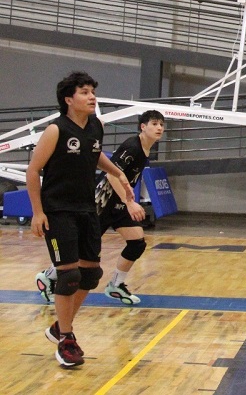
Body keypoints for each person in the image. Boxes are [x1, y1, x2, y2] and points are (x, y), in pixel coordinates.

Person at [26, 71, 132, 368]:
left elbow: (94, 154)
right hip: (58, 211)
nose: (92, 97)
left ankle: (60, 327)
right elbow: (33, 171)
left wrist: (117, 172)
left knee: (90, 274)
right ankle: (67, 339)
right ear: (69, 99)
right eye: (84, 92)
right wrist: (37, 212)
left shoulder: (96, 126)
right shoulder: (55, 130)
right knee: (69, 275)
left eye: (92, 91)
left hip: (86, 209)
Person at [36, 109, 165, 306]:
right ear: (143, 127)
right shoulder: (132, 147)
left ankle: (116, 285)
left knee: (137, 242)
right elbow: (112, 175)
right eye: (154, 124)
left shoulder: (146, 149)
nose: (159, 128)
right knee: (81, 255)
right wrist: (130, 202)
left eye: (162, 124)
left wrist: (126, 202)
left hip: (119, 204)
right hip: (102, 203)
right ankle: (48, 276)